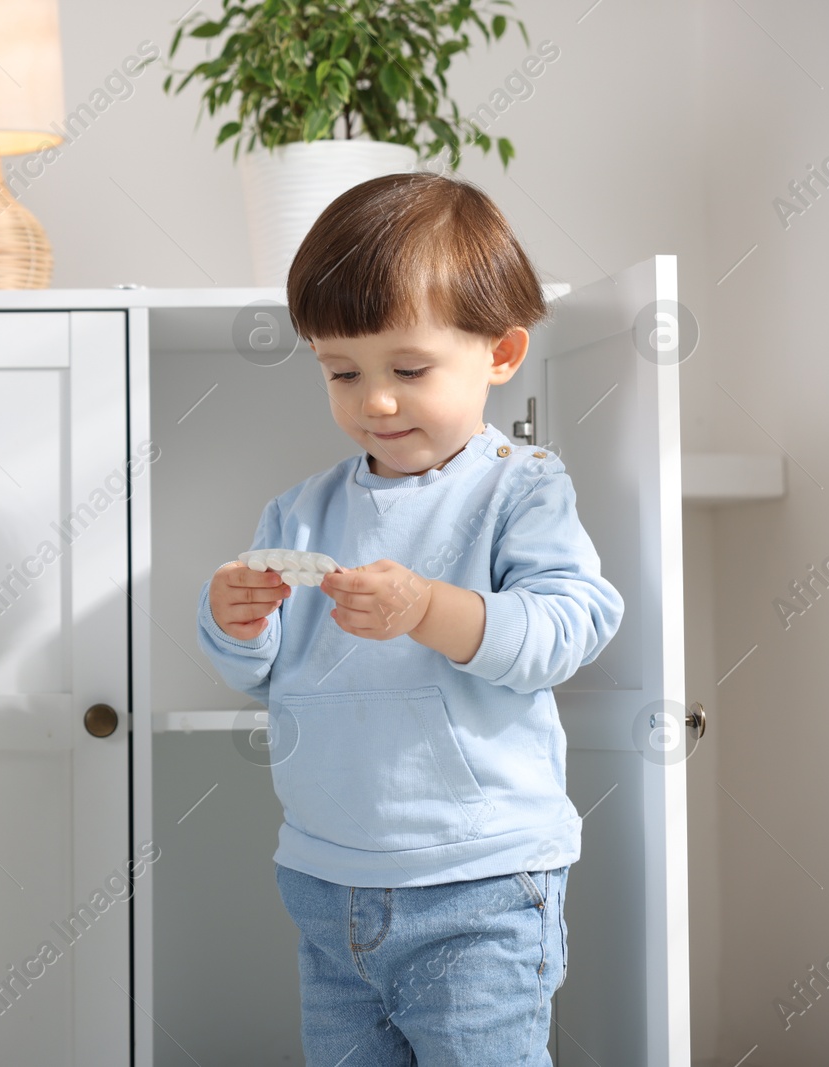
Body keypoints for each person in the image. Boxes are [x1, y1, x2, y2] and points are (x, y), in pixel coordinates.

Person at [197, 171, 625, 1065]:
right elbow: (267, 672)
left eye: (409, 369)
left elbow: (569, 625)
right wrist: (236, 625)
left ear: (500, 354)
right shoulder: (299, 513)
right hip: (326, 879)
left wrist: (429, 607)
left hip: (480, 883)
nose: (374, 401)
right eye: (342, 371)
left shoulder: (521, 486)